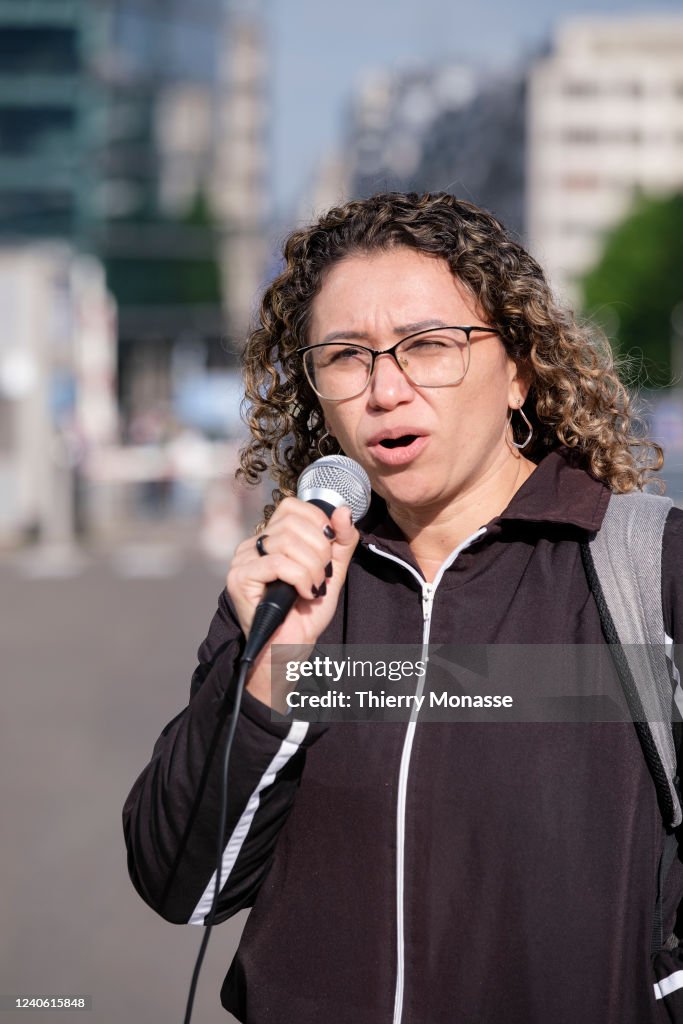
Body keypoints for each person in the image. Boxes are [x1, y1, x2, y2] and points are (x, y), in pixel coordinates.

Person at [123, 192, 683, 1024]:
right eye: (346, 356)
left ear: (518, 369)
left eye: (427, 346)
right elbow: (180, 880)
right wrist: (273, 673)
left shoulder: (648, 564)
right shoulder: (294, 587)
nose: (386, 389)